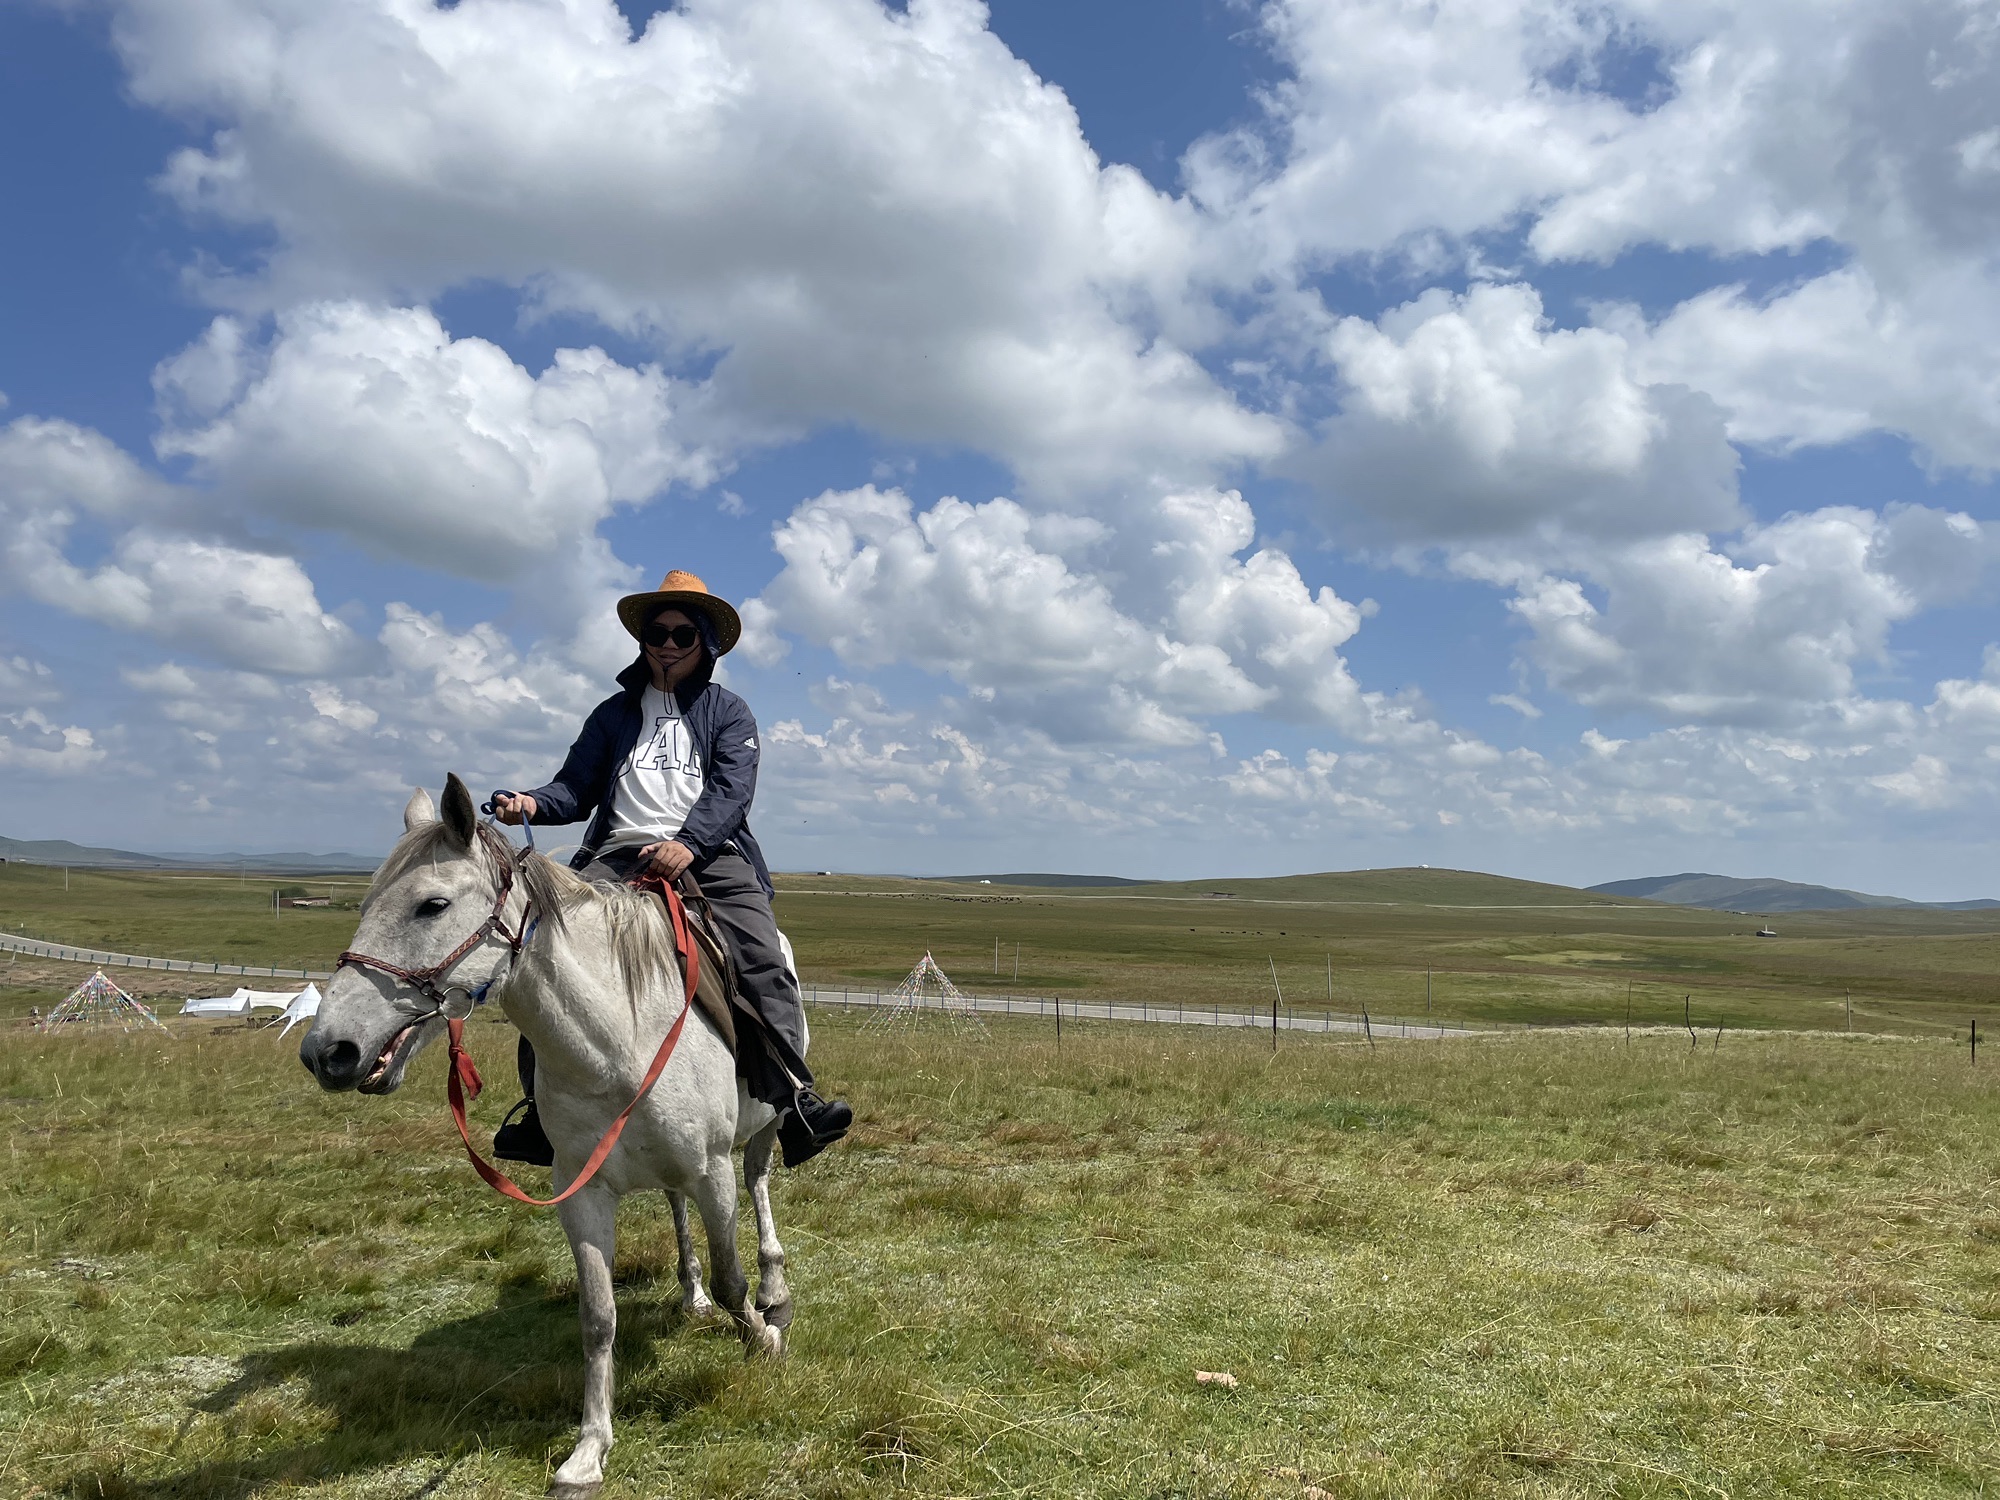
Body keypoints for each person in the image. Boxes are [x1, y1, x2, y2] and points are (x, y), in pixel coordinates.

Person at [489, 569, 851, 1168]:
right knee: (546, 959)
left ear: (705, 643)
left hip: (711, 855)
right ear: (643, 639)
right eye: (658, 632)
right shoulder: (611, 715)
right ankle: (540, 1112)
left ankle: (794, 1100)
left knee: (760, 956)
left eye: (684, 634)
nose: (668, 644)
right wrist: (530, 802)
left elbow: (733, 793)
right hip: (616, 857)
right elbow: (574, 790)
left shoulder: (729, 713)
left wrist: (689, 842)